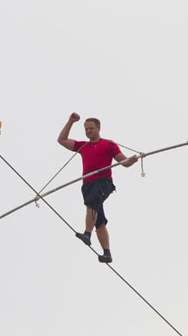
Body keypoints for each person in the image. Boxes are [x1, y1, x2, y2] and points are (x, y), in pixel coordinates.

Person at [57, 112, 138, 263]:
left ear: (99, 128)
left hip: (103, 182)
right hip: (87, 184)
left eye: (91, 129)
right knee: (99, 220)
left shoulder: (109, 144)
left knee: (92, 204)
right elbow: (61, 140)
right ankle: (107, 253)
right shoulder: (83, 146)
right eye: (86, 129)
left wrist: (133, 160)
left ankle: (87, 234)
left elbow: (124, 162)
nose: (88, 131)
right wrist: (70, 121)